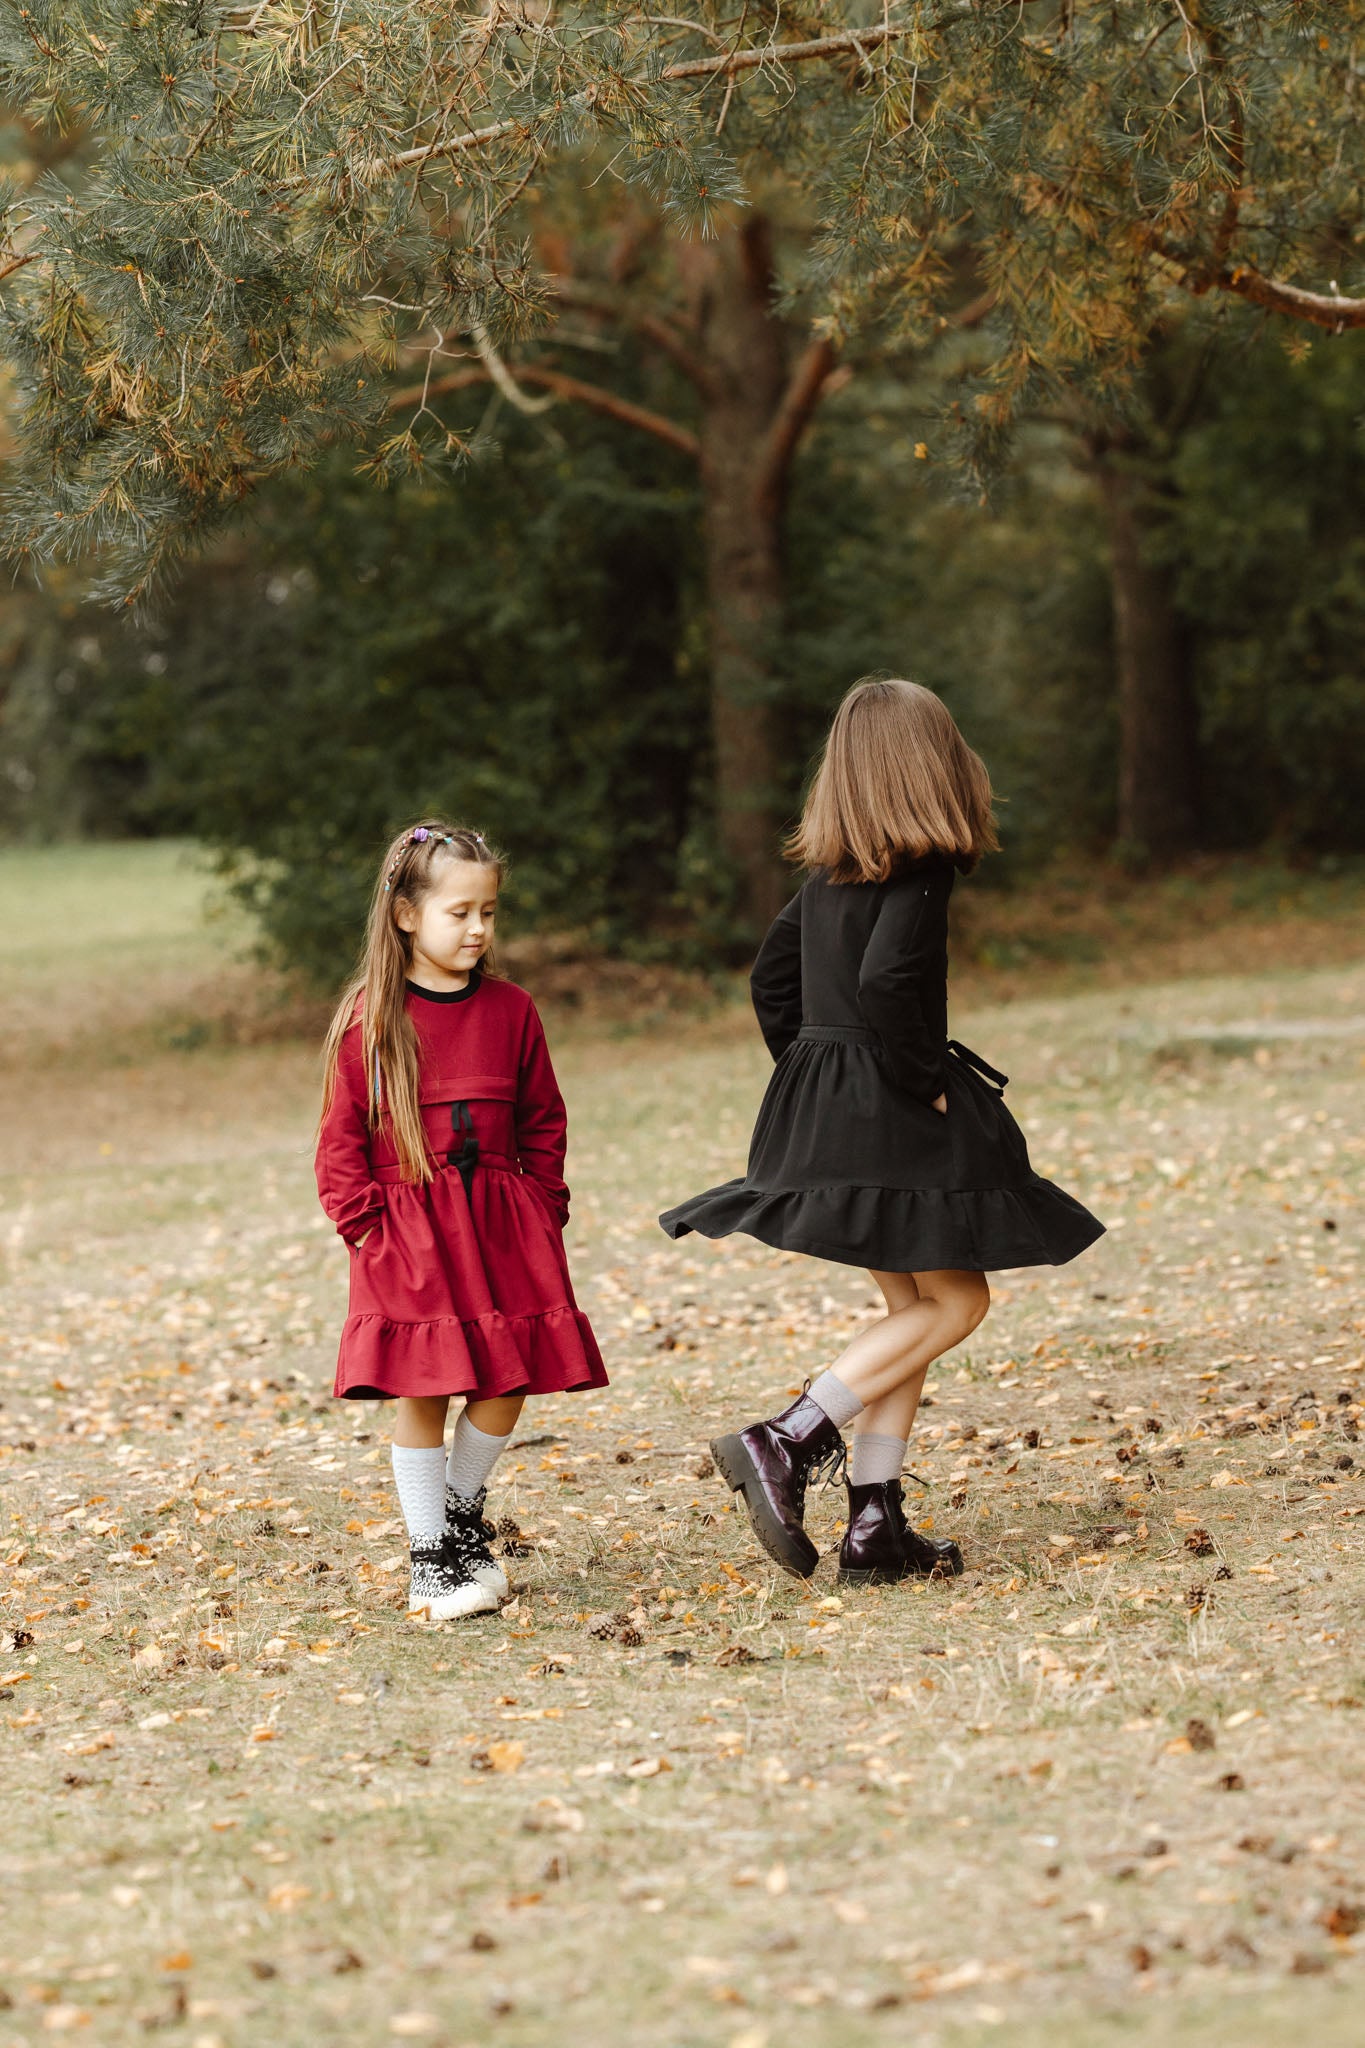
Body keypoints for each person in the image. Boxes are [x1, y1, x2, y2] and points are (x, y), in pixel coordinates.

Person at [660, 678, 1103, 1584]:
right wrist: (913, 1084)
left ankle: (875, 1523)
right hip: (886, 1107)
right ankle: (785, 1439)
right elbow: (891, 986)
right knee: (960, 1301)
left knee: (912, 1312)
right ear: (929, 768)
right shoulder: (922, 871)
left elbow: (771, 984)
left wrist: (817, 1074)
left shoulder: (825, 879)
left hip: (828, 1103)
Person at [316, 823, 605, 1620]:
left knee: (508, 1378)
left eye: (488, 912)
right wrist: (364, 1224)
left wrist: (545, 1204)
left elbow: (545, 1117)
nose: (477, 929)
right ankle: (430, 1559)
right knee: (428, 1387)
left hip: (504, 1223)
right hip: (408, 1229)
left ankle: (457, 1512)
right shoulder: (372, 1019)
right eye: (458, 913)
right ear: (407, 914)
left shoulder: (512, 1009)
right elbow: (340, 1138)